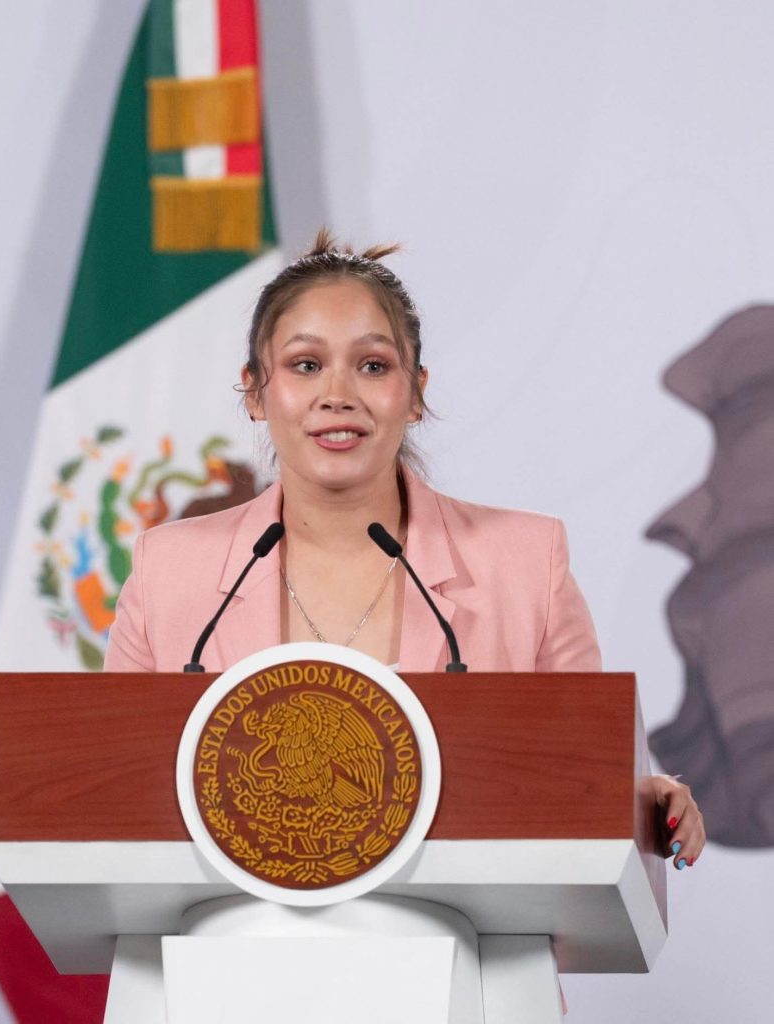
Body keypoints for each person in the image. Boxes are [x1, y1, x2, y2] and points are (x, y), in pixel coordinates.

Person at [107, 230, 705, 868]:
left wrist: (636, 797)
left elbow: (582, 771)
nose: (338, 394)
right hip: (230, 928)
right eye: (306, 365)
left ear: (416, 392)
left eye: (373, 366)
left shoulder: (528, 563)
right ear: (255, 390)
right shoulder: (168, 572)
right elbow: (111, 784)